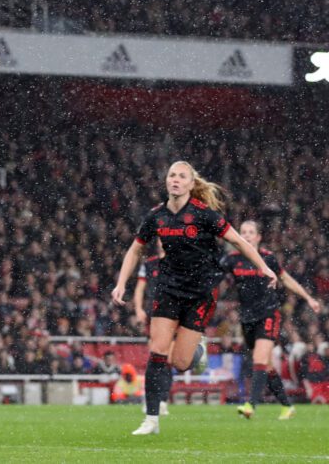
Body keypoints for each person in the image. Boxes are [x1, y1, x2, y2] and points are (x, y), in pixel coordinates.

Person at [111, 161, 278, 436]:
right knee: (157, 351)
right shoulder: (156, 216)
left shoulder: (204, 215)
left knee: (180, 362)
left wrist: (263, 266)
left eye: (181, 176)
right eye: (171, 175)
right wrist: (120, 284)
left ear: (191, 184)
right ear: (166, 182)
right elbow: (134, 251)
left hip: (200, 294)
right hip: (167, 290)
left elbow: (238, 241)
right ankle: (151, 419)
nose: (175, 180)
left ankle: (197, 352)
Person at [222, 220, 321, 420]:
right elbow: (215, 281)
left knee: (259, 359)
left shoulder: (268, 258)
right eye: (243, 232)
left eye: (251, 232)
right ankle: (287, 406)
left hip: (268, 313)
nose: (247, 235)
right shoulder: (231, 260)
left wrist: (308, 298)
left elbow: (286, 279)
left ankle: (251, 405)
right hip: (247, 318)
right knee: (265, 365)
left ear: (258, 237)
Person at [133, 240, 169, 415]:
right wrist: (138, 309)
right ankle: (155, 400)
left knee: (168, 359)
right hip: (154, 313)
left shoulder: (178, 260)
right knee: (156, 357)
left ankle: (162, 399)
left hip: (173, 313)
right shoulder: (149, 264)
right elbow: (140, 288)